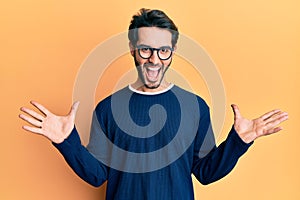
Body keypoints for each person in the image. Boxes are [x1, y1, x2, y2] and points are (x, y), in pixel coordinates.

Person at [19, 8, 288, 200]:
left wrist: (239, 141)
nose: (154, 60)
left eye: (163, 51)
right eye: (146, 49)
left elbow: (206, 172)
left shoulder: (195, 107)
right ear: (133, 48)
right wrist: (66, 142)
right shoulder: (108, 109)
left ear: (172, 52)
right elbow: (98, 175)